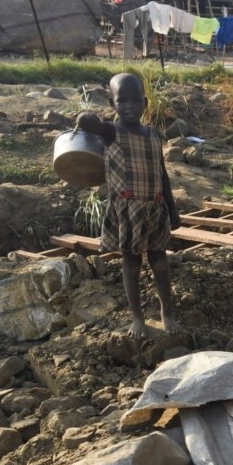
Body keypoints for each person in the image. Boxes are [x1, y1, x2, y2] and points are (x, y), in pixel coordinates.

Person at [76, 74, 181, 340]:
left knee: (160, 261)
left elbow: (162, 173)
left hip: (155, 207)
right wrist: (86, 118)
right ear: (113, 103)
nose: (130, 106)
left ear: (145, 102)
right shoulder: (111, 132)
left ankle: (166, 311)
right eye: (122, 101)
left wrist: (173, 208)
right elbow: (86, 123)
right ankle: (137, 317)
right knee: (131, 263)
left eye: (136, 100)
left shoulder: (154, 134)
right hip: (127, 209)